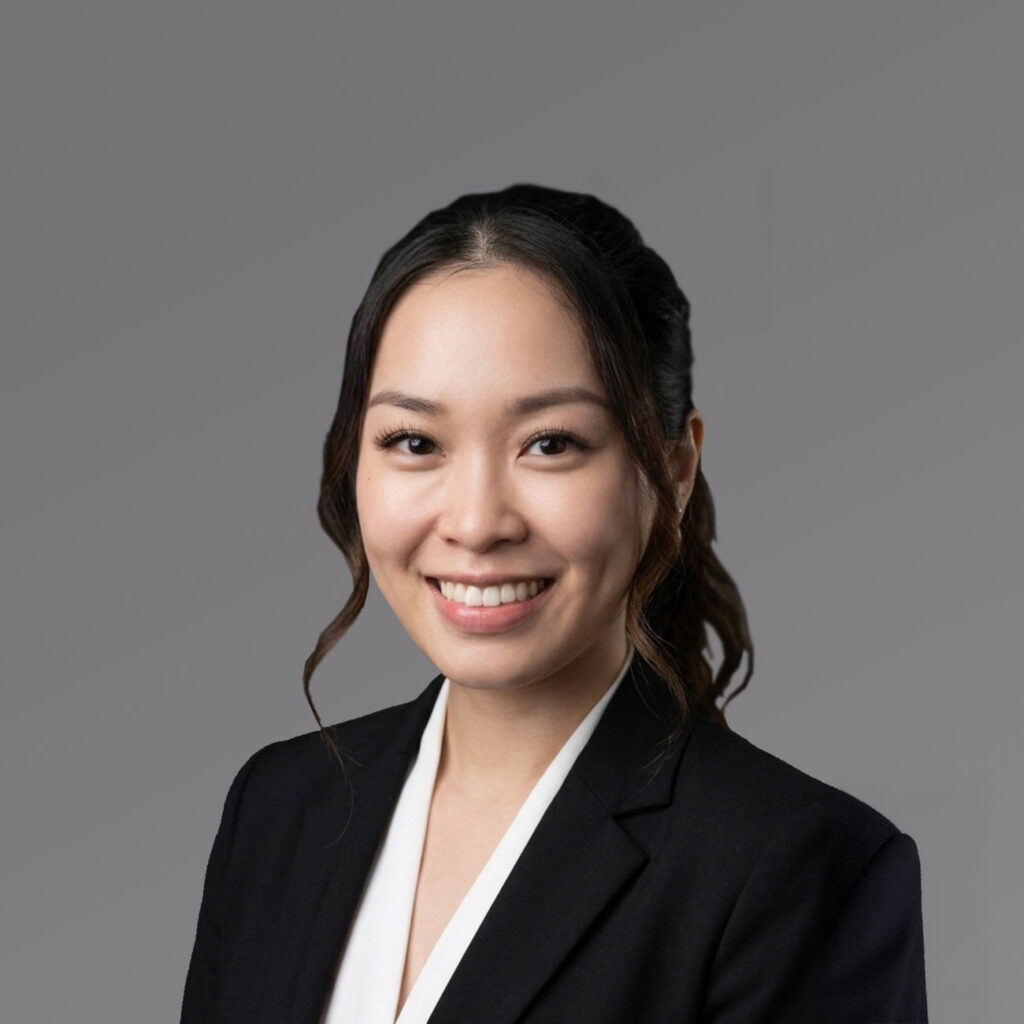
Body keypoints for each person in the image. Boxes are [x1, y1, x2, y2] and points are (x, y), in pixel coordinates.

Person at [180, 185, 928, 1023]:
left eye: (551, 444)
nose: (475, 523)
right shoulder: (279, 808)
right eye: (414, 443)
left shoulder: (798, 869)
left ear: (674, 471)